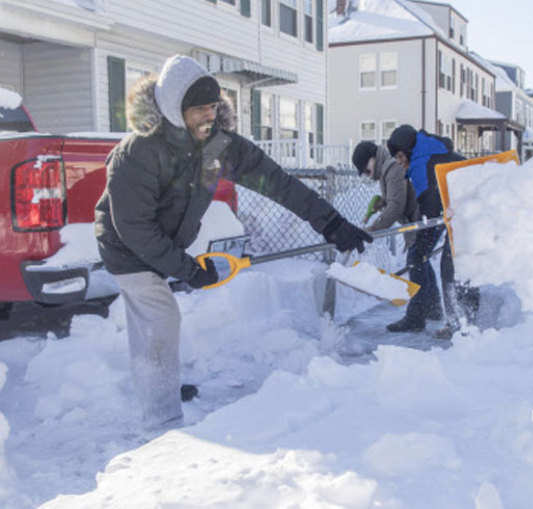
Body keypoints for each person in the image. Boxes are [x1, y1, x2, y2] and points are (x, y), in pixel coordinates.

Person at [94, 55, 372, 428]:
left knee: (154, 323)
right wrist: (189, 271)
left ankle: (161, 383)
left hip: (165, 242)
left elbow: (278, 183)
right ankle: (161, 422)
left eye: (212, 106)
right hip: (126, 245)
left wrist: (332, 224)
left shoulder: (219, 146)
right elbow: (134, 227)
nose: (208, 115)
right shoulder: (139, 153)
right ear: (176, 108)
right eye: (198, 109)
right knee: (159, 317)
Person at [386, 124, 478, 337]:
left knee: (452, 264)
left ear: (408, 150)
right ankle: (453, 319)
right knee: (443, 260)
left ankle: (461, 326)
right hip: (463, 212)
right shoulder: (430, 152)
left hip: (469, 214)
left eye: (400, 157)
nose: (399, 162)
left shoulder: (422, 163)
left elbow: (430, 208)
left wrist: (421, 244)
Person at [352, 140, 420, 233]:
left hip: (420, 222)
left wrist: (373, 229)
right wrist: (383, 202)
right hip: (413, 222)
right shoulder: (385, 170)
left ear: (373, 157)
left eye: (365, 169)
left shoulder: (393, 169)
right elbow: (398, 194)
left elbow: (396, 206)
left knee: (417, 246)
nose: (366, 174)